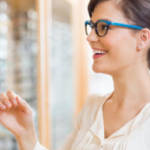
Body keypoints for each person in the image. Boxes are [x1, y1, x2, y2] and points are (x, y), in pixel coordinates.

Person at [1, 0, 150, 149]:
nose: (90, 37)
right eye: (92, 27)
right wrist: (26, 135)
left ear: (143, 38)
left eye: (103, 27)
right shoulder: (92, 108)